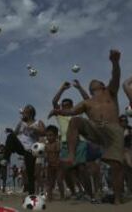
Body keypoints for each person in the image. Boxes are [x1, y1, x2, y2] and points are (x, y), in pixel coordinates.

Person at [49, 50, 124, 204]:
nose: (92, 81)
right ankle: (71, 155)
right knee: (75, 121)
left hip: (113, 130)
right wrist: (58, 110)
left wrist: (115, 62)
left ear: (102, 86)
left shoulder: (110, 92)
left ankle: (117, 198)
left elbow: (115, 77)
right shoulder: (87, 102)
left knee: (116, 166)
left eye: (95, 81)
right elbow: (71, 111)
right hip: (96, 129)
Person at [51, 80, 95, 202]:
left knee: (82, 168)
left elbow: (88, 100)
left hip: (79, 142)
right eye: (63, 105)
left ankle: (90, 195)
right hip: (65, 144)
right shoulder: (59, 115)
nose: (64, 106)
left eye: (67, 105)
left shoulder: (78, 114)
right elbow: (54, 102)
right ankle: (75, 193)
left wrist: (80, 87)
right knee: (66, 170)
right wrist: (62, 88)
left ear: (71, 106)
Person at [4, 104, 45, 195]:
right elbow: (15, 134)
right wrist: (11, 131)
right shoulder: (21, 123)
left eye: (24, 113)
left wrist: (33, 128)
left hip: (31, 149)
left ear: (30, 113)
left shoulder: (38, 122)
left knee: (30, 173)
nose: (23, 115)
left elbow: (43, 132)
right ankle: (6, 158)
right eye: (23, 113)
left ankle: (31, 194)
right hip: (20, 146)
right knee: (10, 136)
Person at [44, 125, 62, 201]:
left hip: (57, 165)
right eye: (47, 135)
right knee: (49, 181)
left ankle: (63, 195)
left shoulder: (56, 143)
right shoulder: (46, 145)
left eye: (51, 135)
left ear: (56, 136)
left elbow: (58, 152)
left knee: (59, 180)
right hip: (50, 165)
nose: (49, 137)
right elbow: (45, 155)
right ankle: (49, 196)